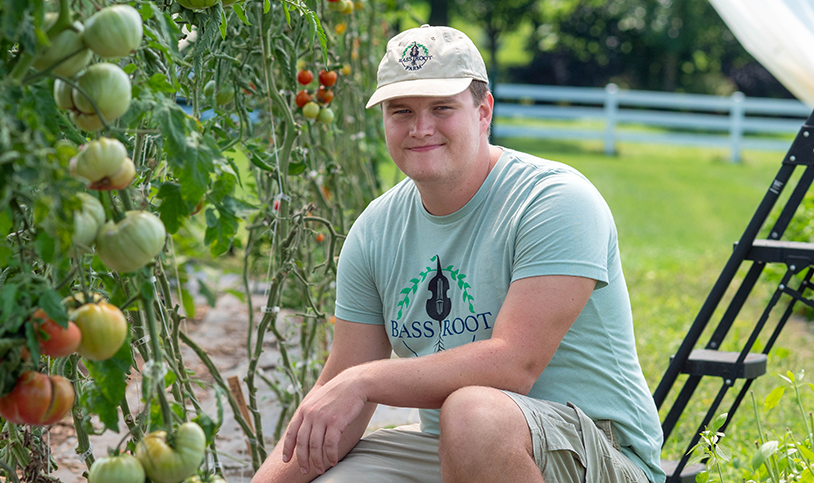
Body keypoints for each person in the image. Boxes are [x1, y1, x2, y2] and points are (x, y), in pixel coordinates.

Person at [252, 24, 665, 483]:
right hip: (450, 448)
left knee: (473, 414)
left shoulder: (554, 201)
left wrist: (364, 381)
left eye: (442, 108)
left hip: (598, 451)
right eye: (401, 111)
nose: (420, 128)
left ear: (483, 112)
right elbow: (336, 402)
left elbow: (514, 365)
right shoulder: (375, 230)